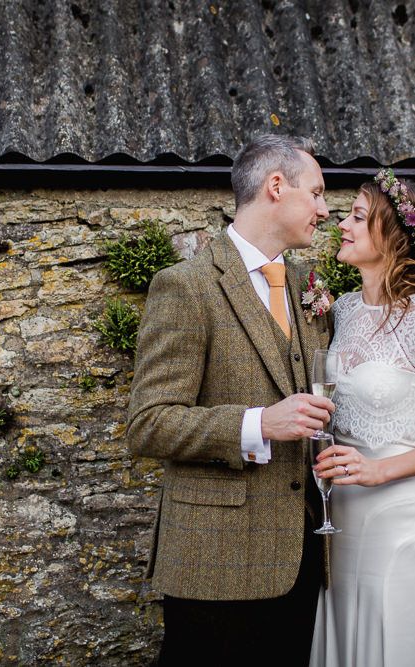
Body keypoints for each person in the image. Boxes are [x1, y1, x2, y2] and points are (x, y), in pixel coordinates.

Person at [126, 133, 334, 667]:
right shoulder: (187, 287)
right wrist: (259, 423)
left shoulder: (309, 286)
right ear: (276, 186)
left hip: (304, 553)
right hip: (214, 561)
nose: (324, 209)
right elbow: (149, 424)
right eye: (316, 193)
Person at [309, 169, 415, 667]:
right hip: (338, 513)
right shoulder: (344, 309)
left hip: (397, 510)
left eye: (356, 216)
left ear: (390, 234)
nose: (342, 225)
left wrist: (379, 471)